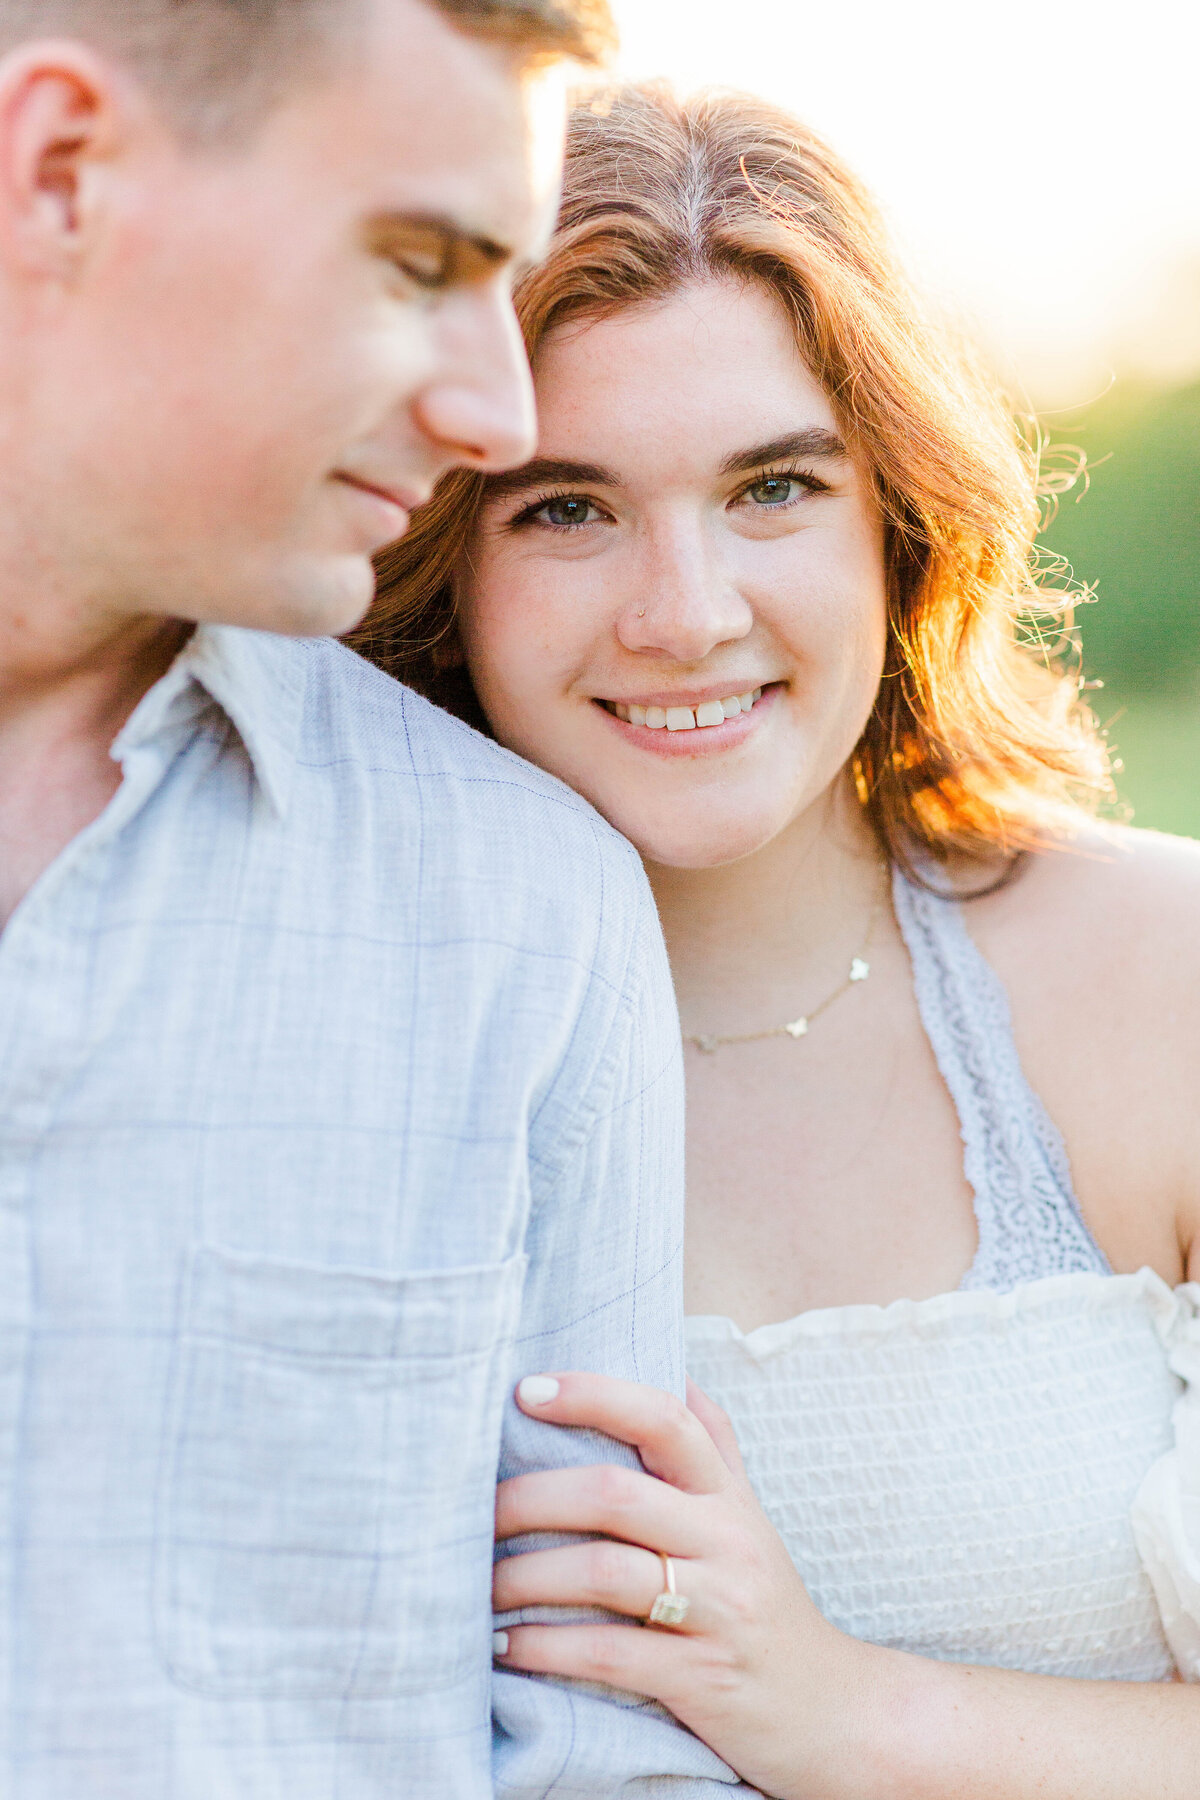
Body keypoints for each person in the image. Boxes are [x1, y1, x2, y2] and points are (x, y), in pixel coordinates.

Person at [361, 83, 1200, 1800]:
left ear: (897, 525)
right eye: (564, 508)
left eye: (773, 488)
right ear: (445, 560)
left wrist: (844, 1712)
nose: (685, 613)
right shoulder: (341, 1036)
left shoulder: (1158, 975)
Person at [0, 9, 753, 1796]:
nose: (494, 414)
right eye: (419, 260)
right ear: (60, 169)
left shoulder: (523, 909)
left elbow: (601, 1755)